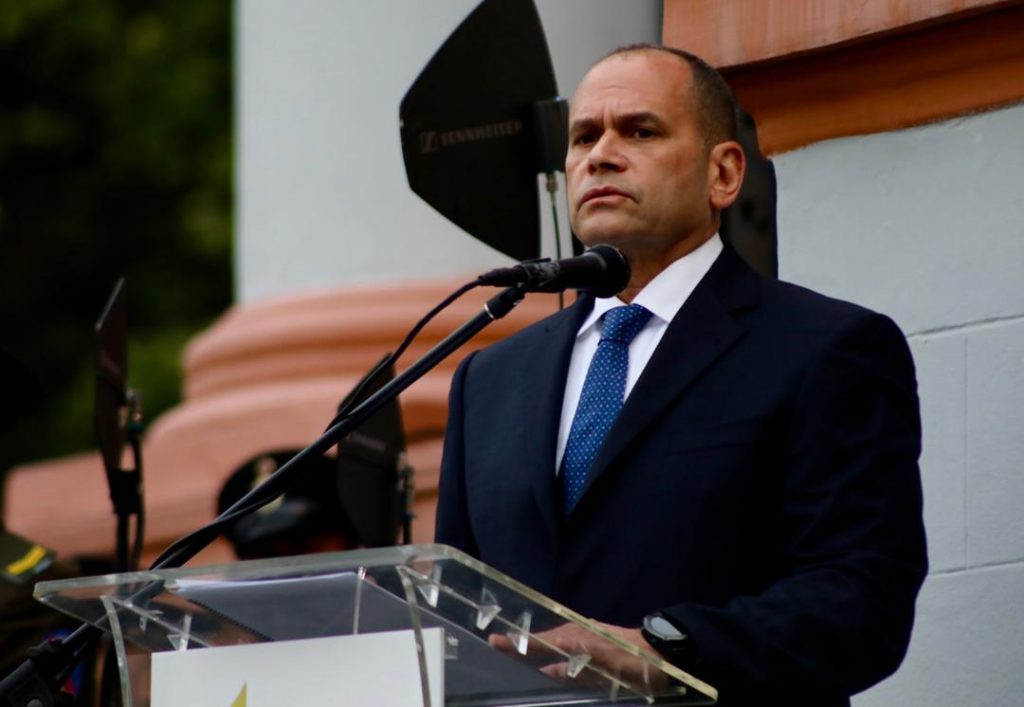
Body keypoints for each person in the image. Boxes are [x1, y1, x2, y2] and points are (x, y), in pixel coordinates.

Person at [435, 44, 927, 706]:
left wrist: (667, 649)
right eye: (583, 136)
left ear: (723, 173)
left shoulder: (826, 349)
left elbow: (862, 602)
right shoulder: (489, 380)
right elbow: (459, 608)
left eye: (640, 131)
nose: (600, 155)